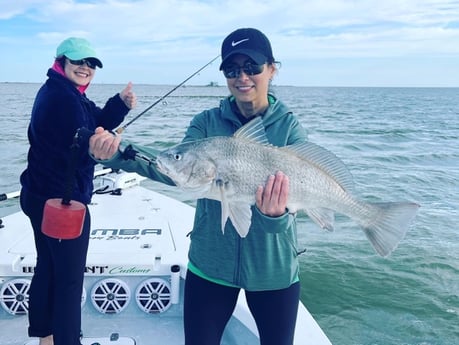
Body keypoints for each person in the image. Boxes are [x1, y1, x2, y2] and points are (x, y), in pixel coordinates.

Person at [89, 28, 307, 345]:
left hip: (273, 270)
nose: (242, 76)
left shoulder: (289, 128)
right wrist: (120, 155)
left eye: (252, 67)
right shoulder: (206, 123)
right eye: (232, 69)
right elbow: (176, 171)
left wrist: (274, 216)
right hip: (210, 265)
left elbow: (290, 213)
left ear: (272, 69)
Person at [20, 37, 137, 345]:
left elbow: (93, 121)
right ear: (61, 62)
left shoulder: (65, 92)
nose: (86, 68)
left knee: (48, 266)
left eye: (91, 64)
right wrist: (99, 144)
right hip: (61, 201)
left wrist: (119, 105)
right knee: (69, 279)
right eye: (78, 62)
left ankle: (45, 336)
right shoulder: (61, 98)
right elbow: (79, 135)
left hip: (38, 194)